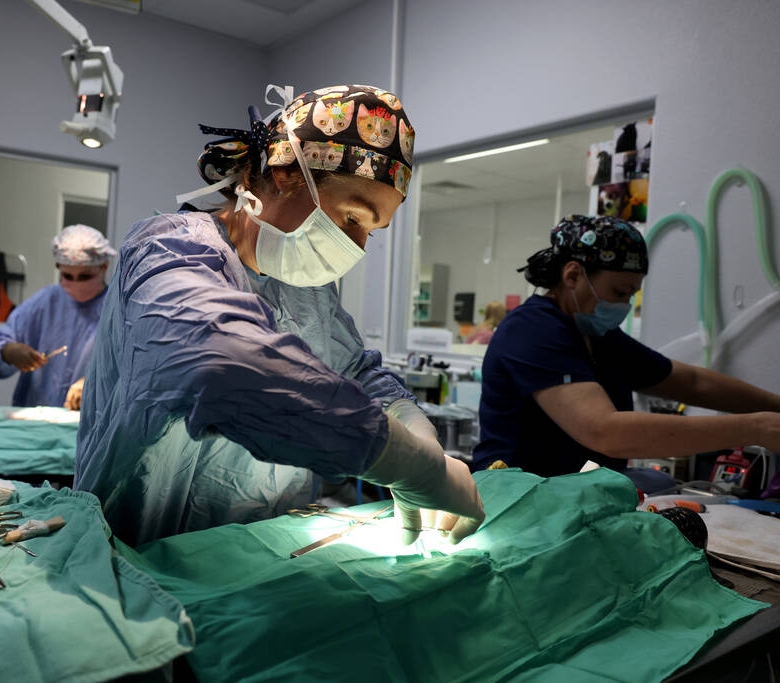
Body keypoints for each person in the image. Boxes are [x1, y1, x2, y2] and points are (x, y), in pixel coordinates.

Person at [74, 85, 484, 546]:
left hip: (268, 548)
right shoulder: (167, 250)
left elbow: (353, 371)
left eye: (373, 231)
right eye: (353, 218)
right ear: (286, 173)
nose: (357, 247)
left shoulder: (309, 289)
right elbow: (219, 363)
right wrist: (403, 461)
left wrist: (411, 424)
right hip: (143, 558)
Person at [473, 215, 780, 477]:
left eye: (631, 294)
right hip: (518, 507)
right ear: (573, 275)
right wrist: (754, 429)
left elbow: (692, 382)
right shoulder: (531, 330)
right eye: (618, 292)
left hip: (570, 506)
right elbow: (605, 431)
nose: (623, 305)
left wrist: (775, 406)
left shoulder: (599, 337)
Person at [0, 224, 116, 408]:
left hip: (91, 424)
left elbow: (131, 370)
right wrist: (8, 352)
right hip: (38, 420)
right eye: (67, 276)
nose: (76, 283)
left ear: (104, 266)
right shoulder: (46, 302)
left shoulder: (117, 311)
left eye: (85, 276)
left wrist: (96, 382)